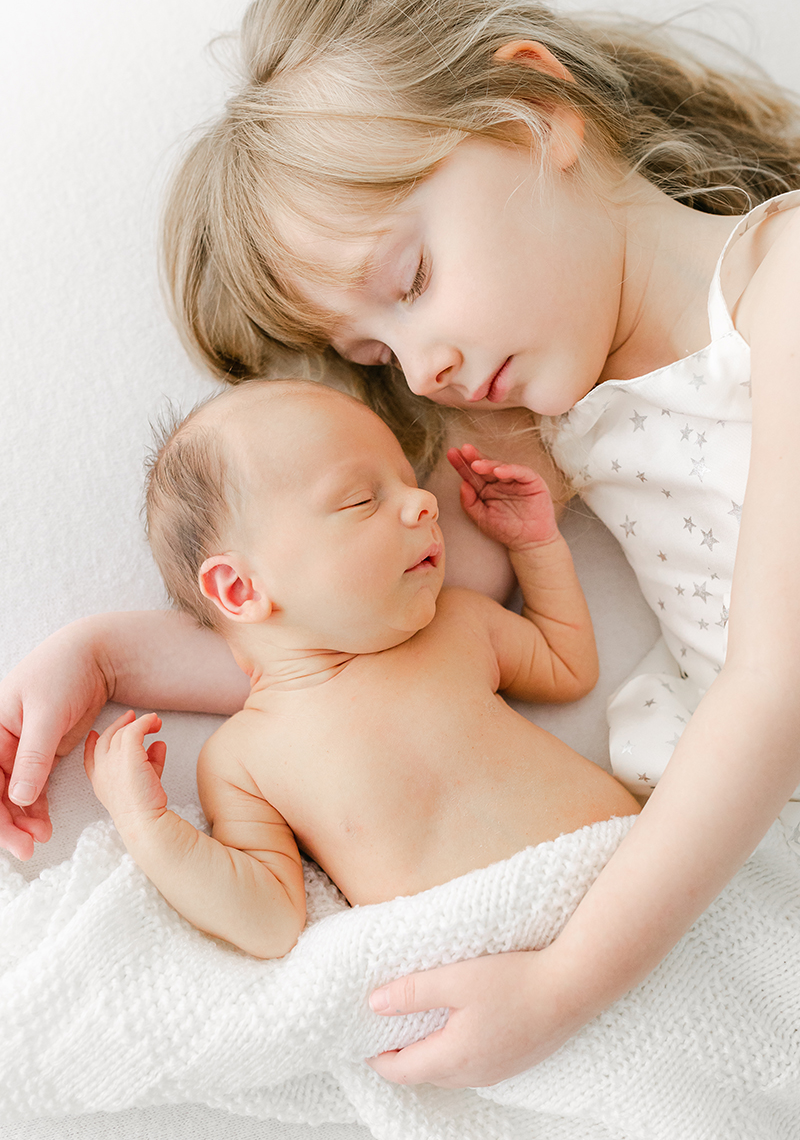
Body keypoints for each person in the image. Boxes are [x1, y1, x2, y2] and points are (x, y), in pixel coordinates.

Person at [2, 0, 800, 1089]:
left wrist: (566, 983)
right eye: (373, 353)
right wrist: (102, 657)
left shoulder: (780, 288)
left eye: (412, 278)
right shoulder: (542, 427)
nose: (421, 369)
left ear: (533, 108)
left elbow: (772, 688)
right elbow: (374, 641)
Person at [84, 378, 638, 957]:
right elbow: (268, 921)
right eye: (361, 500)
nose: (424, 503)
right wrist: (148, 827)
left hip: (632, 870)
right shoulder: (242, 760)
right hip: (483, 960)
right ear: (240, 588)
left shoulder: (456, 624)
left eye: (410, 481)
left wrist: (536, 546)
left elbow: (568, 665)